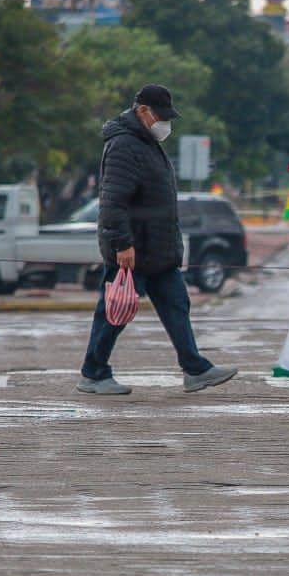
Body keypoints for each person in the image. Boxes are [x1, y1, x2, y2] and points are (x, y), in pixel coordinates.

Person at [77, 84, 237, 396]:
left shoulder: (146, 142)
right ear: (142, 111)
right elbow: (113, 201)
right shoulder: (124, 145)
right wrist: (122, 243)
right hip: (134, 250)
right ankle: (94, 372)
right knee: (115, 312)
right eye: (160, 117)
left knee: (177, 304)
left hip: (158, 250)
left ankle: (195, 368)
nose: (165, 124)